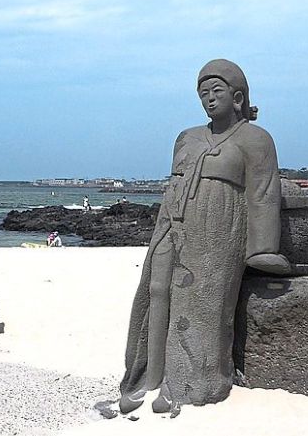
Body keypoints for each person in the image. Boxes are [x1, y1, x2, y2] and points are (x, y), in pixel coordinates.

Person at [119, 59, 288, 415]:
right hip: (173, 220)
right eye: (203, 93)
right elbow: (174, 181)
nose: (209, 99)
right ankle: (146, 377)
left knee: (201, 302)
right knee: (156, 289)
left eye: (217, 91)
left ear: (238, 97)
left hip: (219, 228)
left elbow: (263, 194)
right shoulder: (187, 136)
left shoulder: (256, 140)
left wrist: (263, 249)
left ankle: (188, 384)